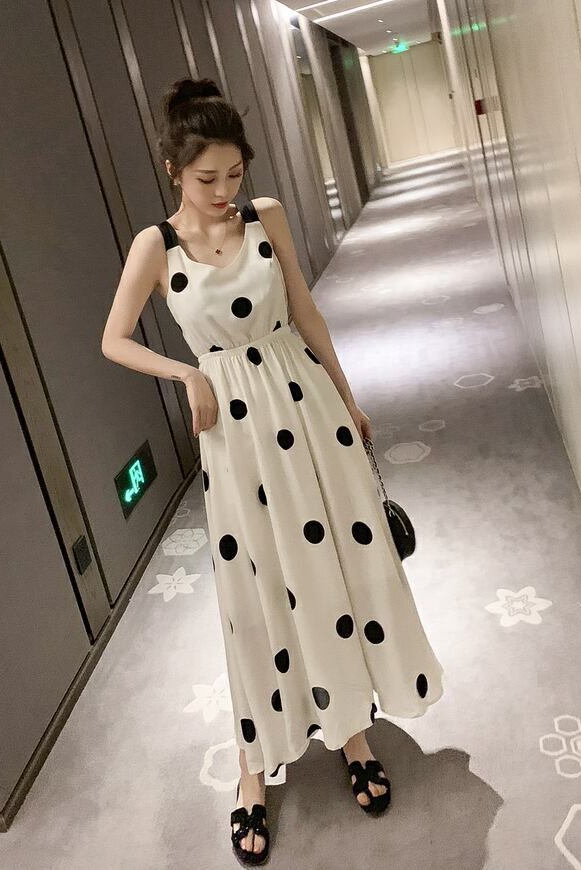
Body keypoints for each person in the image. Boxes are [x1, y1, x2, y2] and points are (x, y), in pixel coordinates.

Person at [101, 77, 445, 864]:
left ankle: (351, 732)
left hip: (306, 407)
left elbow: (307, 311)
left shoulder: (266, 216)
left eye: (234, 173)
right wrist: (186, 373)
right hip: (237, 436)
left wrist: (349, 400)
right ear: (173, 169)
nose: (225, 190)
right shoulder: (156, 246)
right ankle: (253, 769)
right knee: (254, 593)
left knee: (331, 570)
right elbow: (113, 338)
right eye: (206, 178)